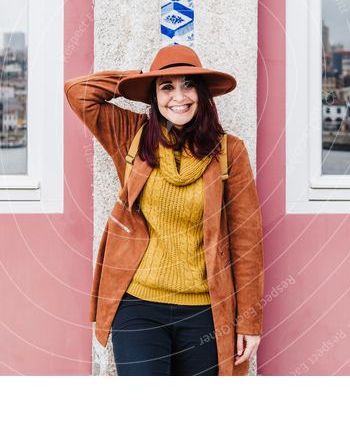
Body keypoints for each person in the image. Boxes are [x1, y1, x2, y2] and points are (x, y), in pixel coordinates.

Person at [64, 43, 264, 376]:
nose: (178, 96)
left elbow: (247, 242)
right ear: (153, 97)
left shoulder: (230, 151)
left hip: (205, 310)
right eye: (166, 87)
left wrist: (250, 320)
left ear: (202, 93)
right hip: (139, 306)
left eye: (188, 84)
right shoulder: (131, 136)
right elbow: (78, 93)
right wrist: (138, 81)